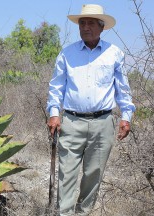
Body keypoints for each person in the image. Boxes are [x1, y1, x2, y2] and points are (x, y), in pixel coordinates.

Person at [46, 4, 136, 215]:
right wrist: (54, 114)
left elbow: (123, 89)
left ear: (101, 27)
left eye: (90, 23)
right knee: (67, 174)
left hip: (103, 123)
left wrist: (126, 117)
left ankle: (83, 212)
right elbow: (56, 87)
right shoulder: (66, 54)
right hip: (71, 122)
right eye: (82, 23)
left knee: (93, 175)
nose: (85, 27)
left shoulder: (114, 54)